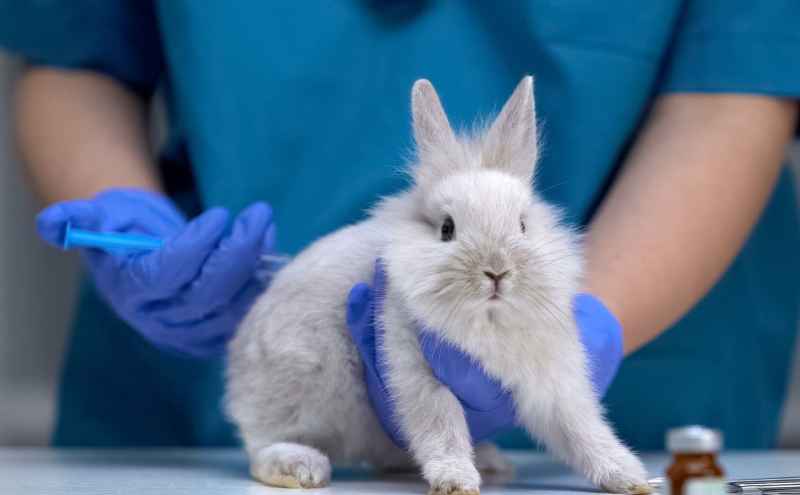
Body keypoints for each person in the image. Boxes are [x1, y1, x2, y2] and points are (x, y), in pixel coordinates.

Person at [1, 1, 798, 450]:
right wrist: (128, 216)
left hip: (656, 370)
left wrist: (573, 328)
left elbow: (731, 92)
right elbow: (76, 54)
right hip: (192, 417)